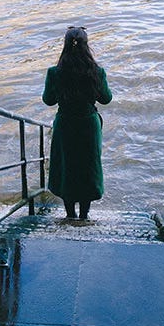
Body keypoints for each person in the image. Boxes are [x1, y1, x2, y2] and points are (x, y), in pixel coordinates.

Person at [43, 26, 113, 222]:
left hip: (65, 124)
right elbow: (106, 99)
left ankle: (69, 215)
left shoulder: (54, 73)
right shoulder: (96, 72)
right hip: (88, 125)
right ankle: (84, 216)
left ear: (65, 45)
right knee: (87, 167)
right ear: (87, 46)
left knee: (66, 166)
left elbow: (48, 100)